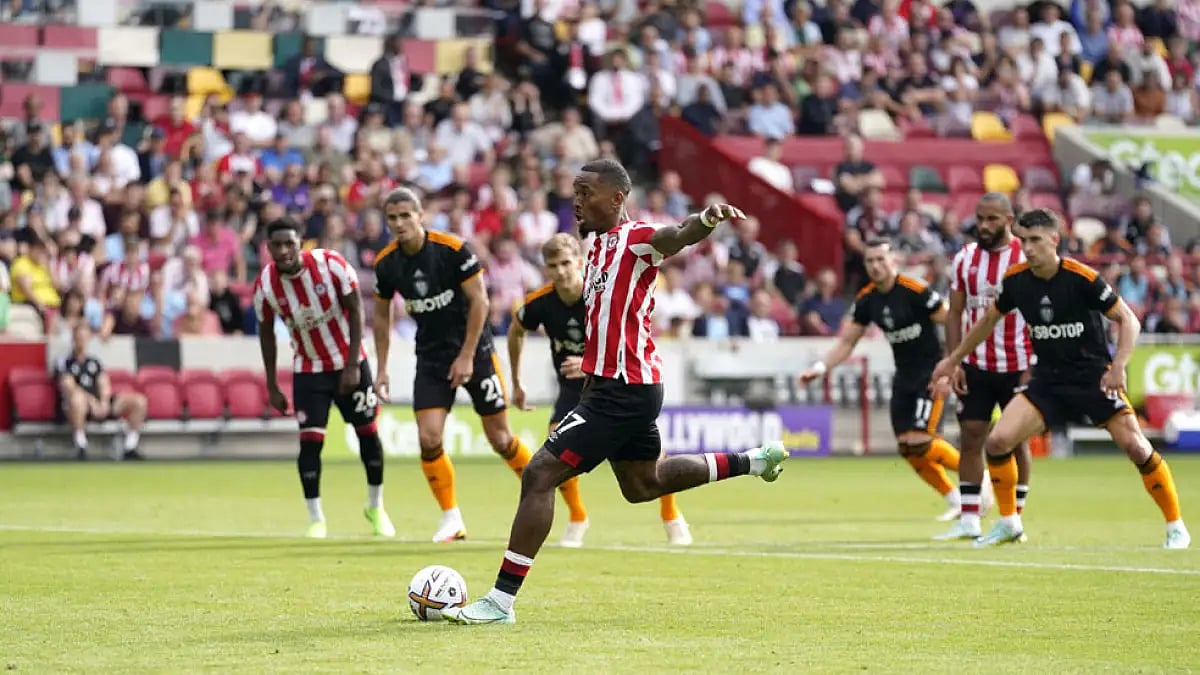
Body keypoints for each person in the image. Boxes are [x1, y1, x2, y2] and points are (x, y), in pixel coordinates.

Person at [444, 158, 787, 625]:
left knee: (540, 474)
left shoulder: (636, 239)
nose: (577, 200)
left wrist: (705, 221)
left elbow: (677, 235)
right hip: (616, 386)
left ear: (618, 198)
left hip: (624, 389)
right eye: (575, 192)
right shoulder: (599, 249)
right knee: (644, 484)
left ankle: (500, 602)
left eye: (586, 191)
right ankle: (754, 460)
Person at [930, 209, 1190, 549]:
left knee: (1137, 448)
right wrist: (953, 359)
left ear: (1055, 239)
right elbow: (987, 321)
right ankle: (1009, 523)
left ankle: (1175, 525)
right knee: (997, 441)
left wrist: (1119, 365)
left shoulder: (1080, 276)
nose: (1028, 247)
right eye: (1023, 240)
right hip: (1048, 380)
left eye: (1036, 240)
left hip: (1093, 377)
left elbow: (1129, 320)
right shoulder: (1017, 280)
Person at [372, 187, 561, 543]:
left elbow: (480, 302)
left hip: (476, 351)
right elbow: (382, 320)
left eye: (405, 216)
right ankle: (451, 518)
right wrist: (381, 369)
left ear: (420, 216)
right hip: (431, 357)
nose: (399, 224)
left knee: (501, 439)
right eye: (392, 218)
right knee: (429, 438)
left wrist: (466, 356)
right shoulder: (386, 264)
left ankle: (542, 494)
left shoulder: (453, 250)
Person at [508, 233, 692, 548]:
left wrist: (591, 362)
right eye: (553, 266)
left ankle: (672, 515)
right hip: (572, 391)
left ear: (580, 263)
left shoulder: (601, 295)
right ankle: (578, 517)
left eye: (567, 263)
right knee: (553, 449)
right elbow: (516, 331)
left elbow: (629, 334)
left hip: (615, 385)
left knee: (650, 458)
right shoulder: (538, 303)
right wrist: (516, 381)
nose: (561, 271)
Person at [799, 239, 963, 521]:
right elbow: (847, 342)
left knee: (922, 441)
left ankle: (978, 478)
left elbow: (951, 322)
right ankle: (956, 498)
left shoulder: (915, 290)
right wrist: (820, 367)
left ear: (893, 261)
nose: (875, 266)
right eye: (870, 261)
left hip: (931, 373)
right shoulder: (867, 299)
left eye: (880, 259)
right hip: (903, 376)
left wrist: (950, 367)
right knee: (906, 448)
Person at [253, 216, 394, 539]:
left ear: (301, 243)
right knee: (310, 445)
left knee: (368, 436)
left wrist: (351, 366)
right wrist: (273, 383)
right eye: (278, 245)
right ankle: (316, 518)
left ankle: (376, 506)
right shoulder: (266, 285)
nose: (285, 250)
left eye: (290, 243)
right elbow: (266, 334)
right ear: (269, 248)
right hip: (308, 370)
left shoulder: (332, 265)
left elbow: (357, 311)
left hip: (350, 363)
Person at [937, 193, 1031, 541]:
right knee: (971, 437)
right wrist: (954, 361)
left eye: (992, 219)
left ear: (1009, 219)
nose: (984, 226)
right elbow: (955, 313)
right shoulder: (965, 258)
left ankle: (1014, 518)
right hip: (975, 365)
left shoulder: (1025, 256)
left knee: (1014, 441)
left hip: (1019, 364)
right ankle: (970, 518)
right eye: (980, 218)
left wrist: (1035, 363)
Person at [57, 323, 147, 461]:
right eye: (78, 337)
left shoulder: (94, 362)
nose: (81, 341)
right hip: (80, 405)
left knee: (139, 401)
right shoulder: (66, 361)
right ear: (73, 339)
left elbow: (104, 383)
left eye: (84, 337)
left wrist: (104, 402)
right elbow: (69, 386)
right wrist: (91, 401)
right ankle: (81, 445)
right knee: (77, 399)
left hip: (99, 402)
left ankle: (130, 446)